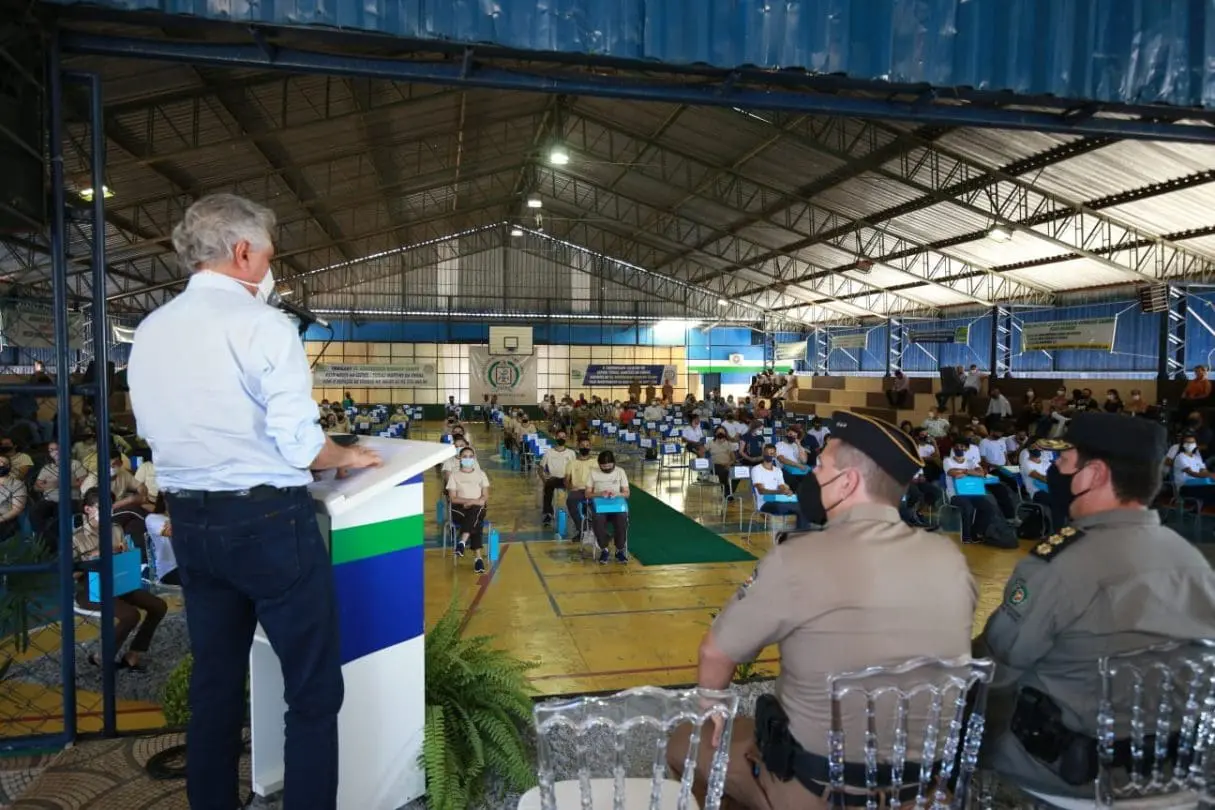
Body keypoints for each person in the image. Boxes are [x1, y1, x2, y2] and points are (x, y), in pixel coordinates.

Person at [127, 194, 382, 810]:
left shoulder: (152, 330)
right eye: (269, 254)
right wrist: (344, 456)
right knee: (313, 692)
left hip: (190, 523)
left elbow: (151, 430)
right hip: (266, 524)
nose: (272, 268)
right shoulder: (262, 324)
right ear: (243, 252)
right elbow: (300, 444)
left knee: (216, 681)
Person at [668, 411, 976, 807]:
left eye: (821, 465)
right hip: (923, 788)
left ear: (846, 482)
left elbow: (716, 653)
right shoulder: (949, 559)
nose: (813, 473)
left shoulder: (798, 559)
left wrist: (712, 709)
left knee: (684, 742)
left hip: (823, 788)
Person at [973, 412, 1215, 797]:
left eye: (1064, 460)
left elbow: (996, 668)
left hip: (1062, 780)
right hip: (1172, 777)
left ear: (1094, 475)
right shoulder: (1191, 562)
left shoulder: (1059, 566)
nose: (1055, 469)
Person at [73, 487, 168, 671]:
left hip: (118, 579)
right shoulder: (77, 537)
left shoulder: (115, 528)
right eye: (101, 507)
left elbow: (123, 554)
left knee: (158, 606)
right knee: (131, 615)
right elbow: (71, 574)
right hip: (90, 587)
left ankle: (134, 653)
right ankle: (102, 655)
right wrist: (92, 558)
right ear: (88, 509)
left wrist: (124, 553)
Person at [447, 446, 491, 574]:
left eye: (470, 456)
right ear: (460, 458)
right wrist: (468, 501)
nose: (468, 459)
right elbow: (453, 498)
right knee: (476, 519)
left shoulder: (481, 474)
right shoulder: (454, 476)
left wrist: (472, 502)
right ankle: (478, 558)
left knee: (475, 510)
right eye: (465, 456)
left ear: (474, 458)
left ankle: (462, 541)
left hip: (476, 507)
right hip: (459, 509)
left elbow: (485, 497)